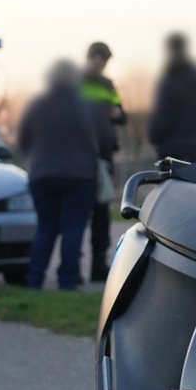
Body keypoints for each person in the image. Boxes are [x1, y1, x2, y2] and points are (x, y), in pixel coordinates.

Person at [18, 59, 114, 290]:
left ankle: (35, 278)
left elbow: (23, 140)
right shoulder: (88, 105)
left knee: (45, 227)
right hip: (79, 175)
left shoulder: (37, 104)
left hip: (42, 174)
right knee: (74, 227)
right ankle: (67, 280)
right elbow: (107, 140)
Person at [80, 41, 126, 282]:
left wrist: (116, 113)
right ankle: (75, 268)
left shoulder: (107, 84)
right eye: (102, 60)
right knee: (80, 214)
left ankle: (98, 266)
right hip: (84, 156)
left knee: (101, 215)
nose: (104, 66)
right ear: (92, 57)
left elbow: (122, 114)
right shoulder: (78, 82)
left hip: (104, 156)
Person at [148, 31, 196, 163]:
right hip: (194, 147)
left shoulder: (169, 81)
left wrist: (154, 137)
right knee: (194, 182)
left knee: (172, 183)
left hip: (170, 149)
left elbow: (161, 118)